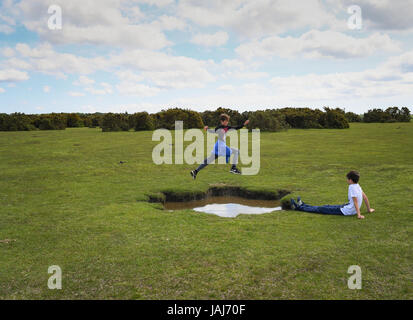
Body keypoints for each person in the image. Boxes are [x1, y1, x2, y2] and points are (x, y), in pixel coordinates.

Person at [290, 171, 375, 219]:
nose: (347, 180)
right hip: (347, 207)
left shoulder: (352, 187)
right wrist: (368, 209)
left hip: (346, 211)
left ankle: (299, 207)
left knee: (322, 209)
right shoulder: (358, 186)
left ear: (351, 180)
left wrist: (359, 215)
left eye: (347, 179)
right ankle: (303, 205)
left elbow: (355, 201)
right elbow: (365, 197)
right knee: (325, 206)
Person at [190, 114, 249, 180]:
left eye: (227, 121)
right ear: (222, 121)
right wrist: (208, 129)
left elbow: (236, 128)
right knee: (236, 151)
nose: (227, 122)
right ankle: (233, 168)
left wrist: (244, 124)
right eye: (226, 121)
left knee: (209, 160)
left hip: (218, 145)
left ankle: (195, 171)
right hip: (221, 146)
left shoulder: (227, 127)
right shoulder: (219, 128)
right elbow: (214, 131)